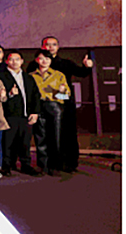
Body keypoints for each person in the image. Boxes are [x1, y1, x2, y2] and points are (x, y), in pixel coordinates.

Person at [27, 36, 94, 172]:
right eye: (47, 44)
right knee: (41, 136)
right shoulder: (33, 69)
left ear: (58, 47)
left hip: (62, 105)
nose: (51, 47)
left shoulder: (64, 66)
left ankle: (68, 164)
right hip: (39, 107)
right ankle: (45, 165)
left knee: (65, 135)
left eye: (54, 44)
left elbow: (79, 75)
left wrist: (87, 67)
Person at [0, 51, 41, 176]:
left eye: (17, 59)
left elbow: (36, 96)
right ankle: (6, 165)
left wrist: (35, 113)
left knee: (25, 142)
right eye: (11, 59)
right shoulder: (1, 77)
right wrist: (10, 94)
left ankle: (26, 164)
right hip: (9, 115)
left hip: (26, 116)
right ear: (7, 61)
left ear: (22, 61)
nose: (14, 62)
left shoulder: (28, 77)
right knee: (7, 142)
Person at [30, 49, 71, 176]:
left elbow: (66, 96)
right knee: (40, 137)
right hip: (37, 106)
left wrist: (57, 92)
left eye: (47, 59)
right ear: (36, 60)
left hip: (54, 106)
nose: (44, 61)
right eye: (41, 58)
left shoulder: (58, 75)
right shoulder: (31, 76)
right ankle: (42, 165)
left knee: (55, 137)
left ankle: (55, 166)